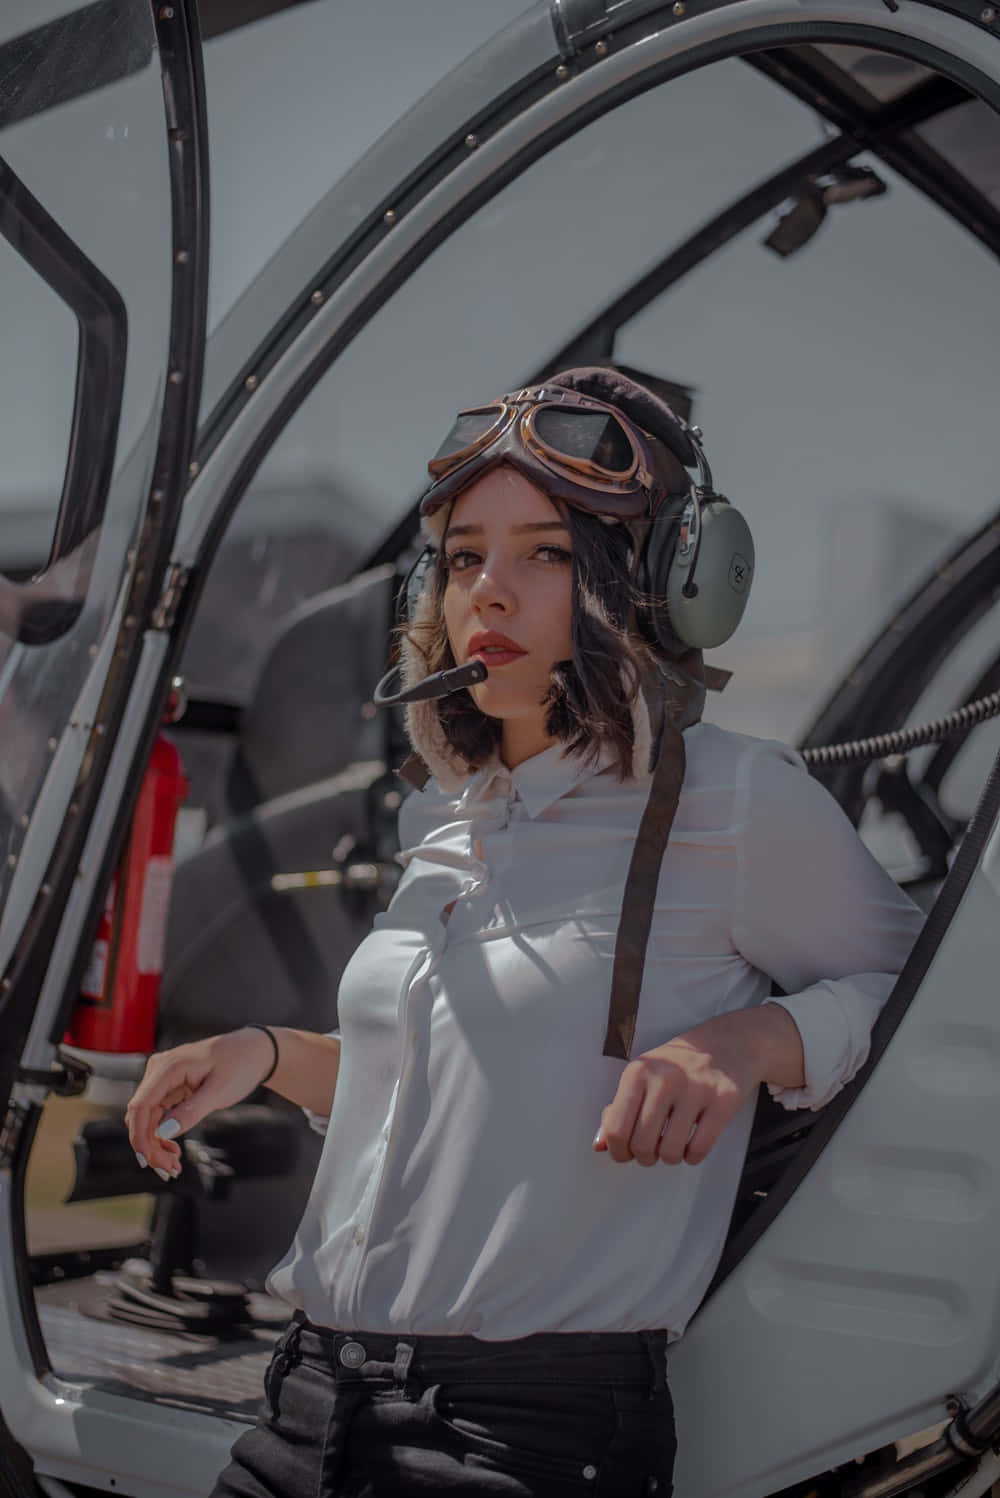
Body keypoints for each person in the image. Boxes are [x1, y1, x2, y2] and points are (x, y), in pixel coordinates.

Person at [124, 367, 924, 1498]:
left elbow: (926, 1001)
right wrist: (263, 1054)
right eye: (461, 558)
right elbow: (457, 1088)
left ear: (659, 581)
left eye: (544, 551)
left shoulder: (736, 801)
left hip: (523, 1439)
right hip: (306, 1401)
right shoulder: (446, 815)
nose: (486, 593)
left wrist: (749, 1041)